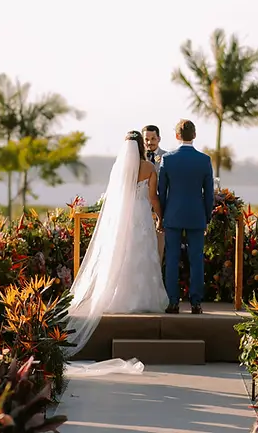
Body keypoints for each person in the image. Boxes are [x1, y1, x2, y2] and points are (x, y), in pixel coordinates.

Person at [65, 130, 169, 359]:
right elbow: (153, 197)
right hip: (141, 215)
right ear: (141, 146)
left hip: (122, 217)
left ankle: (117, 297)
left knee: (120, 254)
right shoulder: (149, 168)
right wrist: (160, 217)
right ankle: (144, 298)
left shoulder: (119, 168)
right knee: (143, 253)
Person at [158, 120, 214, 315]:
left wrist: (162, 216)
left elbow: (161, 191)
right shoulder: (204, 160)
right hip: (196, 215)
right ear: (194, 135)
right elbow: (209, 194)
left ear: (176, 136)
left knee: (172, 259)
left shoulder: (168, 159)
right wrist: (207, 217)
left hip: (172, 215)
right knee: (196, 260)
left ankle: (173, 302)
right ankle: (196, 303)